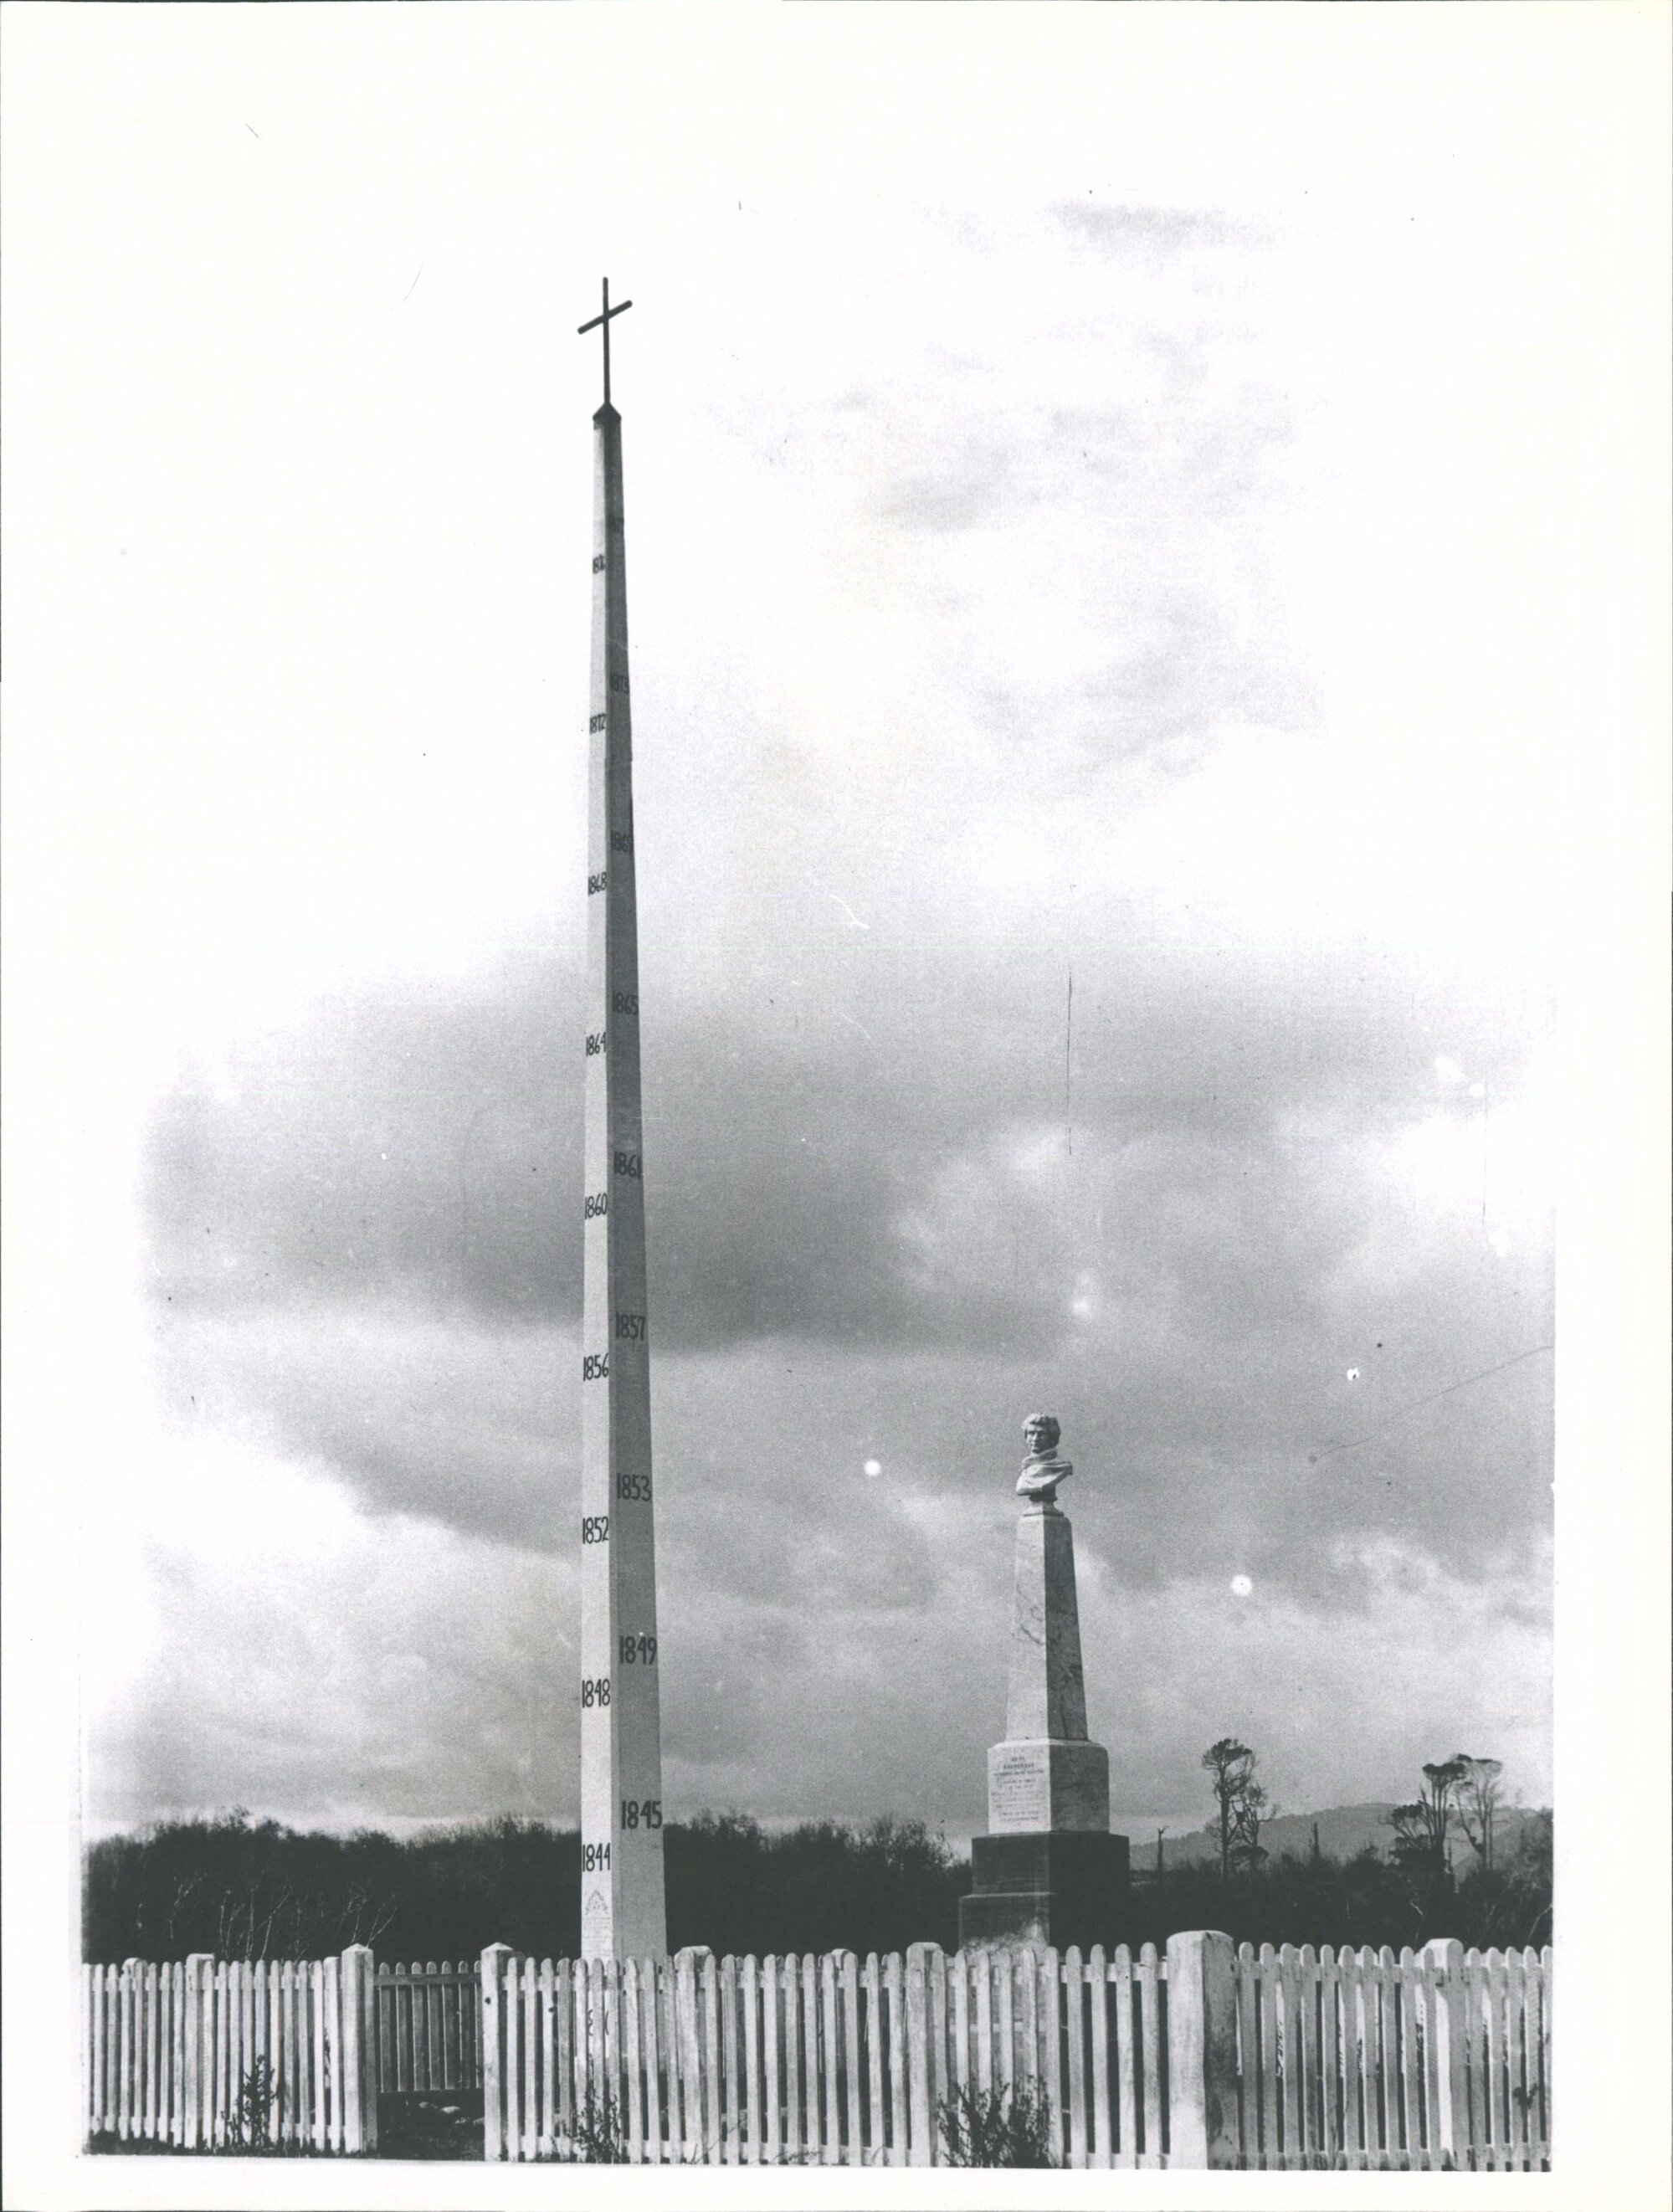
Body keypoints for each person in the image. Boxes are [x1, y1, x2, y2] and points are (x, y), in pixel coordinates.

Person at [1016, 1413, 1074, 1504]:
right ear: (1026, 1437)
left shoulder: (1062, 1467)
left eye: (1041, 1434)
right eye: (1031, 1433)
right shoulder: (1026, 1470)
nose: (1035, 1438)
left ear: (1052, 1438)